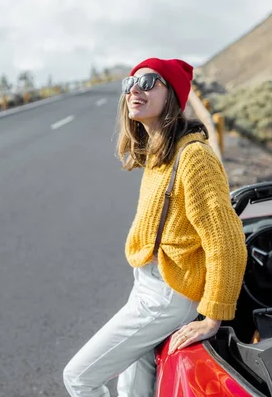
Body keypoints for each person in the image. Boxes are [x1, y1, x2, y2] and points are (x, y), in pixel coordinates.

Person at [63, 57, 248, 397]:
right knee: (134, 387)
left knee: (79, 377)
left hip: (167, 294)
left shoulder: (193, 157)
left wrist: (212, 317)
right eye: (130, 83)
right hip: (149, 286)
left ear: (173, 97)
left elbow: (227, 241)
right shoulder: (160, 152)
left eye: (148, 82)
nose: (135, 88)